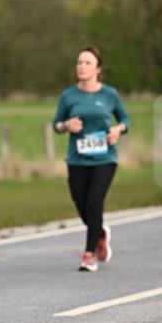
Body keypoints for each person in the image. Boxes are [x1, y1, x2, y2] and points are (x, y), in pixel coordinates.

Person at [52, 46, 130, 272]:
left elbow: (125, 119)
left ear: (98, 68)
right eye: (79, 62)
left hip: (104, 159)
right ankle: (100, 233)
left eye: (87, 63)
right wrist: (66, 125)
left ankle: (88, 255)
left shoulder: (109, 94)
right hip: (77, 160)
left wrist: (118, 130)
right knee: (81, 203)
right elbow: (56, 124)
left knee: (95, 202)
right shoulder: (68, 95)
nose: (82, 66)